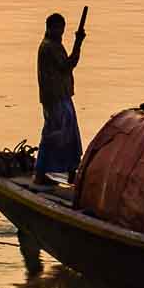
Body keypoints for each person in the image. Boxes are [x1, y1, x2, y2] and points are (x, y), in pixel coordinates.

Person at [35, 11, 84, 182]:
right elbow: (67, 66)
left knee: (70, 134)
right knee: (53, 134)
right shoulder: (49, 46)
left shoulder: (54, 45)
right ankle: (40, 173)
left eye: (62, 29)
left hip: (62, 96)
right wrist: (78, 43)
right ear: (49, 29)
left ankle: (71, 171)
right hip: (54, 99)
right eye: (57, 29)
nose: (60, 33)